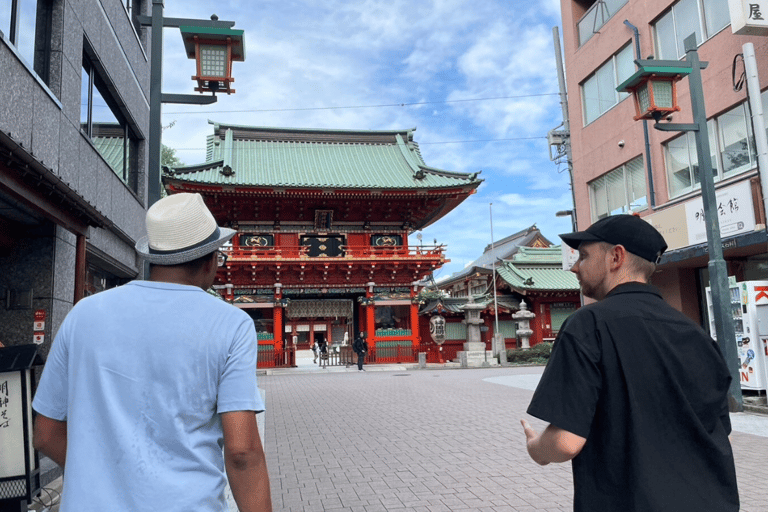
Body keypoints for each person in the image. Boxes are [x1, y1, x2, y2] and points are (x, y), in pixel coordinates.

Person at [32, 193, 273, 512]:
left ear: (154, 257)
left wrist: (106, 478)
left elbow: (45, 434)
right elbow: (242, 453)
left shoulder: (83, 314)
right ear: (211, 259)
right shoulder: (230, 325)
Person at [520, 214, 738, 512]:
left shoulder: (587, 325)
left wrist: (536, 448)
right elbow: (717, 429)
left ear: (616, 257)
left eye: (583, 256)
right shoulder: (697, 334)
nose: (574, 267)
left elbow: (564, 443)